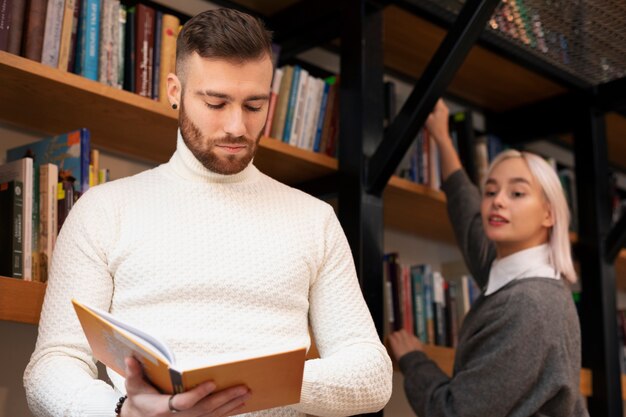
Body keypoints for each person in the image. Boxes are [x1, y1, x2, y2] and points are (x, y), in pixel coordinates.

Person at [24, 8, 392, 417]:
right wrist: (121, 412)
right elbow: (52, 363)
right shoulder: (103, 210)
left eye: (254, 106)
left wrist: (261, 383)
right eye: (216, 102)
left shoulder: (315, 219)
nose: (236, 126)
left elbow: (372, 374)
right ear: (174, 90)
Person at [389, 99, 588, 417]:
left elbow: (455, 413)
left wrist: (415, 361)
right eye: (491, 191)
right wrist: (441, 136)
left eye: (517, 193)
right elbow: (469, 218)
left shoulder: (527, 304)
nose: (498, 202)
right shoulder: (516, 278)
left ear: (549, 213)